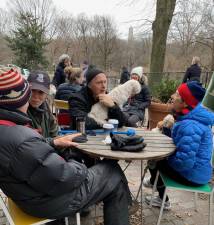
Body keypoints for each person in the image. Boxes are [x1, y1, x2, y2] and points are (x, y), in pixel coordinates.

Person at [0, 67, 131, 225]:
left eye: (105, 82)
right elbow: (65, 177)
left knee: (106, 172)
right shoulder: (21, 137)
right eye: (30, 93)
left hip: (28, 192)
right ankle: (120, 203)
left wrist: (53, 142)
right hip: (45, 201)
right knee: (113, 172)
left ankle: (119, 200)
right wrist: (78, 163)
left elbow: (28, 154)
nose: (34, 98)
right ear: (21, 99)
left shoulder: (8, 128)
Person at [144, 81, 214, 209]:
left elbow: (184, 163)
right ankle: (154, 181)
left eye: (176, 94)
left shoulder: (190, 126)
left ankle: (163, 200)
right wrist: (168, 130)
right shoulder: (190, 117)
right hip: (199, 171)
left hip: (193, 176)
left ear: (185, 103)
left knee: (155, 161)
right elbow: (182, 143)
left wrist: (165, 158)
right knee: (158, 159)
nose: (172, 96)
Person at [27, 71, 58, 138]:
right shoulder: (21, 111)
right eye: (32, 90)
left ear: (47, 94)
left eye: (41, 92)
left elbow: (54, 134)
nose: (36, 96)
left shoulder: (46, 108)